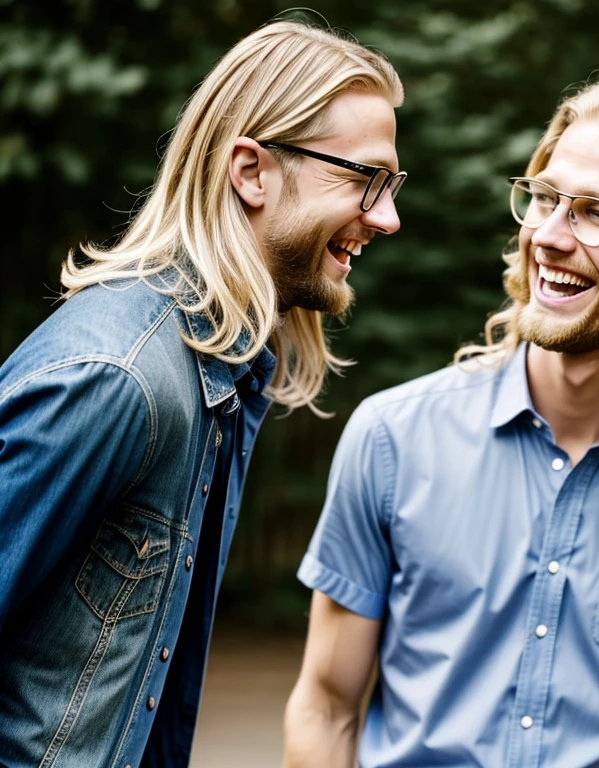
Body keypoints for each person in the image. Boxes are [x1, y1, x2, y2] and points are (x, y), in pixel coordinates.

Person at [283, 81, 599, 767]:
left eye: (595, 212)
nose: (548, 235)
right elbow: (325, 707)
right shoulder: (392, 438)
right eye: (544, 198)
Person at [0, 13, 405, 768]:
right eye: (363, 178)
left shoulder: (223, 375)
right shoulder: (119, 382)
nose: (387, 216)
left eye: (392, 183)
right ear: (250, 171)